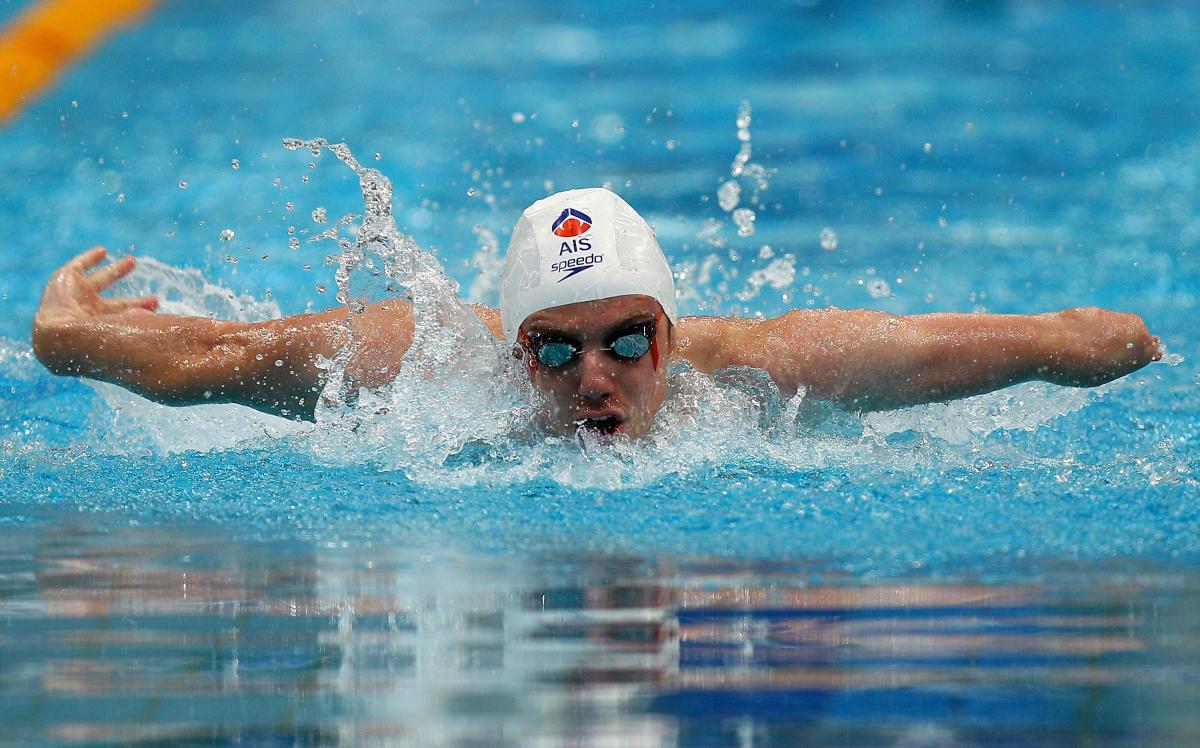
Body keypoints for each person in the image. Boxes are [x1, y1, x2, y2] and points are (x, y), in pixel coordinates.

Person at [31, 188, 1162, 438]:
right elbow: (205, 360)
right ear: (514, 344)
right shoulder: (423, 362)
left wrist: (1136, 346)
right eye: (555, 349)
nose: (594, 378)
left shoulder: (772, 370)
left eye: (628, 340)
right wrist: (70, 332)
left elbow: (1069, 341)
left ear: (671, 333)